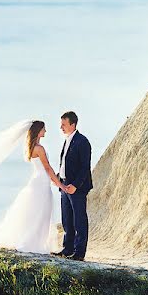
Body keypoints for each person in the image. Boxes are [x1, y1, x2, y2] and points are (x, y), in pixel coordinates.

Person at [0, 120, 65, 253]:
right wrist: (60, 184)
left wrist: (54, 181)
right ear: (38, 131)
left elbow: (46, 169)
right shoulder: (39, 149)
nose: (45, 131)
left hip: (37, 181)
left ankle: (36, 242)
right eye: (44, 129)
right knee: (41, 214)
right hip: (41, 184)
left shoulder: (32, 147)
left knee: (36, 214)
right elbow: (47, 168)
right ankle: (34, 244)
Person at [51, 111, 92, 260]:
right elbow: (66, 163)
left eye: (63, 124)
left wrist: (75, 185)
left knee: (79, 220)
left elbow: (84, 167)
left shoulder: (83, 141)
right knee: (67, 219)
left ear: (72, 124)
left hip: (77, 188)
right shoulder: (67, 139)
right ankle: (67, 249)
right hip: (64, 185)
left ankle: (79, 253)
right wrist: (59, 178)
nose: (61, 127)